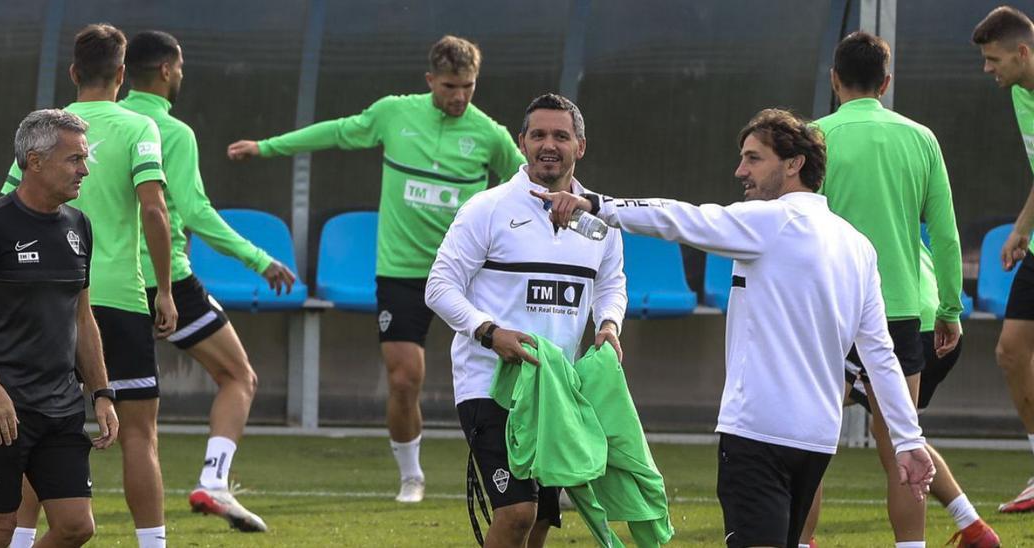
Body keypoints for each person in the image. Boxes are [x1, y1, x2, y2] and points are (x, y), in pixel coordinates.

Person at [534, 108, 935, 548]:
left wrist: (599, 205)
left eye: (753, 158)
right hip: (818, 439)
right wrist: (908, 439)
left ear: (793, 164)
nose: (739, 170)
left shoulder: (771, 221)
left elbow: (681, 218)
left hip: (758, 433)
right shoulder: (858, 245)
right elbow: (879, 357)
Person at [228, 35, 524, 502]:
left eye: (468, 86)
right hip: (403, 271)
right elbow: (336, 132)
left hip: (471, 274)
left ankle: (532, 471)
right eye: (450, 86)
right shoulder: (394, 113)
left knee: (508, 376)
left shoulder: (490, 134)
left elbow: (528, 183)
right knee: (405, 377)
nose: (460, 96)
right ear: (430, 81)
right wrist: (267, 147)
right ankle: (411, 475)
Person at [801, 31, 998, 547]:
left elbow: (793, 227)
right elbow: (948, 235)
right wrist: (951, 309)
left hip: (830, 310)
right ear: (886, 83)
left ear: (834, 79)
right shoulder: (921, 138)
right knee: (902, 446)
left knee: (811, 443)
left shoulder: (813, 136)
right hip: (902, 313)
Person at [0, 24, 177, 548]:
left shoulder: (46, 131)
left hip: (52, 303)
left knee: (39, 433)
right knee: (140, 435)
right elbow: (153, 207)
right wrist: (164, 289)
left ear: (74, 72)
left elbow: (8, 208)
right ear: (123, 75)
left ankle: (20, 541)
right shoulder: (140, 125)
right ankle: (153, 545)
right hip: (119, 298)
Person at [426, 94, 627, 548]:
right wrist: (490, 333)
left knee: (539, 522)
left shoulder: (601, 220)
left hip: (556, 388)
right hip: (488, 383)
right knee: (518, 511)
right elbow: (439, 287)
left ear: (581, 147)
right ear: (521, 143)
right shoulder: (487, 208)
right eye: (538, 135)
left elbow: (611, 283)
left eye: (561, 135)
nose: (549, 145)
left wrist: (609, 325)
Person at [123, 30, 292, 531]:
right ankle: (214, 482)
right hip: (164, 281)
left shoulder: (99, 122)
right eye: (180, 68)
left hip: (100, 282)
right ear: (168, 71)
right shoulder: (172, 132)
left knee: (69, 392)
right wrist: (258, 259)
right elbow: (194, 211)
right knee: (239, 376)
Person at [0, 109, 119, 548]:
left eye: (84, 159)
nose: (84, 170)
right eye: (74, 159)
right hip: (3, 410)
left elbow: (82, 317)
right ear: (35, 162)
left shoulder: (79, 227)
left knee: (77, 526)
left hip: (62, 405)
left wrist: (103, 393)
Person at [973, 5, 1034, 514]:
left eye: (993, 59)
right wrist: (1021, 229)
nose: (987, 69)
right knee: (1010, 351)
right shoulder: (1019, 93)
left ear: (1023, 52)